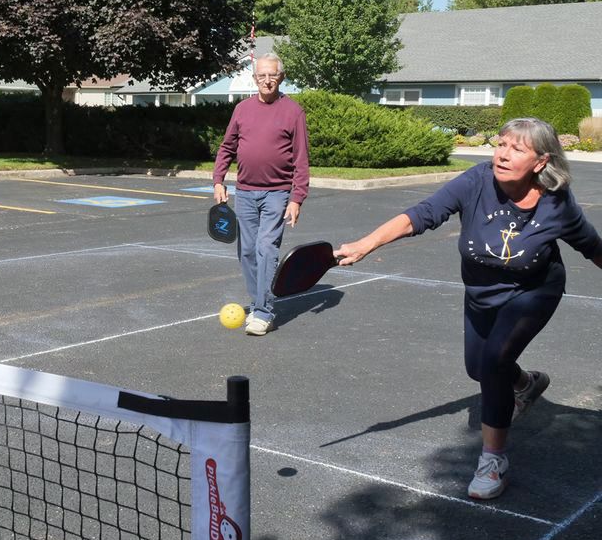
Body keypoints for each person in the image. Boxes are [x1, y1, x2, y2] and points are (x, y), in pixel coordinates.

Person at [334, 118, 602, 500]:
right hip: (481, 292)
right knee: (478, 368)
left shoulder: (555, 202)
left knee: (492, 363)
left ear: (541, 162)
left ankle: (493, 461)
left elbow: (592, 245)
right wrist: (366, 244)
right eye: (501, 144)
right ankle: (526, 384)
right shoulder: (476, 181)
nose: (503, 154)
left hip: (534, 291)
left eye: (517, 149)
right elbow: (422, 214)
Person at [213, 53, 310, 336]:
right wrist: (218, 180)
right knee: (247, 252)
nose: (267, 80)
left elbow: (301, 159)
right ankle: (258, 303)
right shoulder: (242, 109)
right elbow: (227, 147)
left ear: (281, 77)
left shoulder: (293, 112)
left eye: (272, 75)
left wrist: (297, 198)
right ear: (255, 78)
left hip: (277, 194)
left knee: (266, 248)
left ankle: (264, 312)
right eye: (262, 75)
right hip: (244, 192)